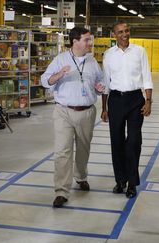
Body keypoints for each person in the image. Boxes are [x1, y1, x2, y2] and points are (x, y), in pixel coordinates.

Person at [41, 27, 105, 208]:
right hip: (64, 112)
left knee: (83, 149)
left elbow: (101, 81)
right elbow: (45, 80)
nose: (90, 43)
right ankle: (61, 191)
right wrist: (59, 75)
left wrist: (99, 87)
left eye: (90, 39)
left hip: (87, 112)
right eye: (86, 40)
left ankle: (81, 176)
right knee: (62, 151)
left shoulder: (92, 61)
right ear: (75, 41)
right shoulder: (60, 59)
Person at [101, 21, 153, 199]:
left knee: (133, 142)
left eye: (127, 31)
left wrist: (148, 101)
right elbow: (106, 83)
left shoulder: (140, 51)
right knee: (116, 141)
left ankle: (132, 182)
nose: (125, 34)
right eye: (121, 32)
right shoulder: (108, 55)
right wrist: (104, 108)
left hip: (135, 100)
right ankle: (120, 180)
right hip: (115, 100)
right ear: (114, 34)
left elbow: (147, 76)